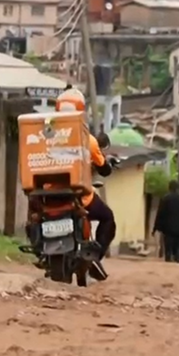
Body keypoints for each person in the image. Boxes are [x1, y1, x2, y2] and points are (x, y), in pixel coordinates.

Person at [55, 86, 118, 278]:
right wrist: (107, 165)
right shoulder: (88, 140)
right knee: (107, 217)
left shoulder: (44, 135)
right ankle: (94, 258)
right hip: (79, 197)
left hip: (47, 196)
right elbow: (104, 168)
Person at [153, 180, 179, 262]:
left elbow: (160, 214)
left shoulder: (165, 199)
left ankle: (169, 262)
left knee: (168, 250)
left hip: (167, 229)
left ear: (169, 188)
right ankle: (178, 261)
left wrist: (156, 228)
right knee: (178, 249)